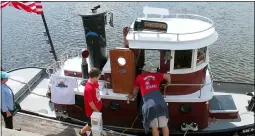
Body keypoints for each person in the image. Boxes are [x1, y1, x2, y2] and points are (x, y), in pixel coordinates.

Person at [128, 62, 171, 136]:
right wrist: (168, 83)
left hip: (150, 105)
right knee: (164, 125)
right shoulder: (156, 75)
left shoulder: (139, 77)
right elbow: (167, 76)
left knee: (154, 127)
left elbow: (136, 89)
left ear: (143, 71)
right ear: (150, 71)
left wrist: (131, 96)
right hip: (160, 102)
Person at [79, 68, 102, 136]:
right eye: (98, 77)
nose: (99, 78)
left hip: (97, 107)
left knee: (94, 123)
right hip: (92, 111)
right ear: (94, 77)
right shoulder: (88, 88)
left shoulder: (95, 82)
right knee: (91, 123)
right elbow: (90, 103)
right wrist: (97, 111)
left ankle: (91, 132)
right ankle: (82, 132)